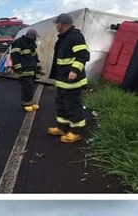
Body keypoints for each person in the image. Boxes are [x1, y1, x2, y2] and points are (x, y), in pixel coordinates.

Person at [48, 12, 90, 143]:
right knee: (61, 104)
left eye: (57, 23)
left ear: (62, 24)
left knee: (72, 105)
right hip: (62, 80)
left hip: (72, 81)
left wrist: (75, 70)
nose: (56, 25)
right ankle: (62, 127)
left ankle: (76, 132)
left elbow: (83, 55)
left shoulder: (75, 36)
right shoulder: (63, 37)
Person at [10, 28, 43, 112]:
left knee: (30, 86)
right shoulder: (19, 42)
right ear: (30, 35)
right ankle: (25, 102)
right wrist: (18, 68)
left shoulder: (30, 44)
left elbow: (35, 57)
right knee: (27, 85)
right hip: (23, 69)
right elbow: (15, 56)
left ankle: (29, 101)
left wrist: (39, 68)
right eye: (34, 36)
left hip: (31, 69)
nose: (35, 38)